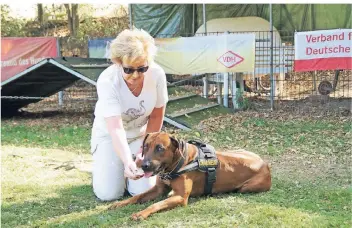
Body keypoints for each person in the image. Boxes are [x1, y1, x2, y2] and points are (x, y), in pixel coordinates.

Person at [90, 28, 168, 201]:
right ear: (118, 62)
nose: (136, 75)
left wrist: (145, 149)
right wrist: (127, 161)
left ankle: (124, 173)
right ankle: (108, 168)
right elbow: (116, 128)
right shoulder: (107, 80)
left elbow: (156, 116)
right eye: (129, 69)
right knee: (108, 194)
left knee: (143, 191)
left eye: (142, 68)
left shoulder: (157, 74)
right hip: (109, 136)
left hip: (140, 136)